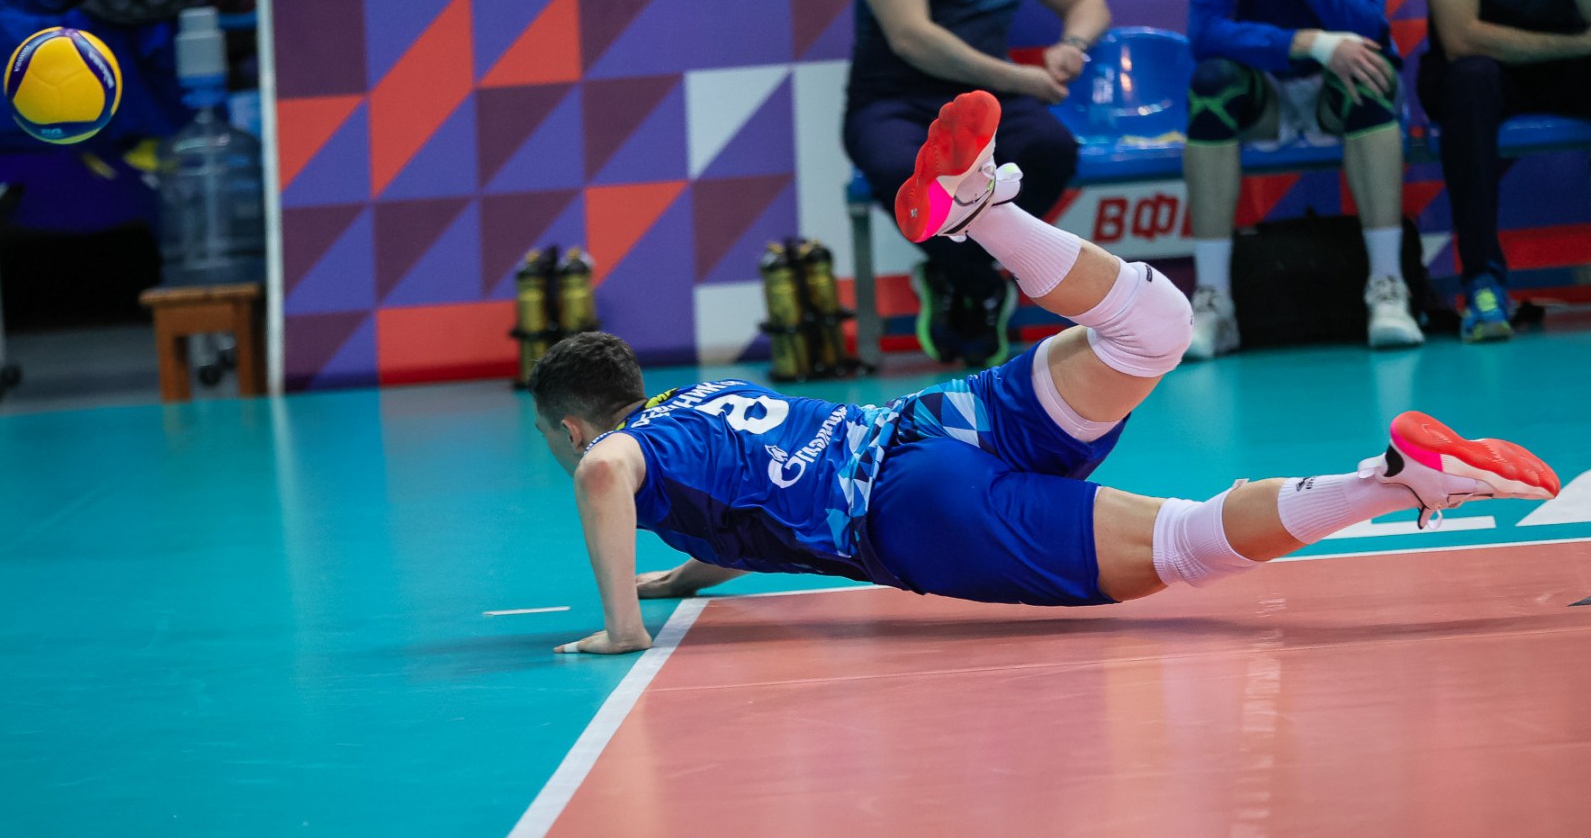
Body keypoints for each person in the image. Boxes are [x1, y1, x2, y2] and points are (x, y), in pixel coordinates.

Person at [532, 91, 1560, 655]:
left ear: (574, 425)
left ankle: (1391, 484)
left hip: (913, 513)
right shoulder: (703, 405)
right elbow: (744, 501)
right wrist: (687, 575)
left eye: (557, 439)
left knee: (1185, 543)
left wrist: (624, 625)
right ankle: (985, 212)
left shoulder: (628, 451)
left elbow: (609, 472)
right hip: (931, 422)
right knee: (1152, 328)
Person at [844, 0, 1110, 369]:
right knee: (902, 170)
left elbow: (1087, 2)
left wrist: (1072, 45)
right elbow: (911, 37)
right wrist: (1021, 77)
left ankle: (956, 271)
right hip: (893, 99)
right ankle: (982, 282)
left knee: (1050, 150)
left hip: (986, 101)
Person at [1183, 0, 1420, 359]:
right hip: (1267, 85)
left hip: (1342, 82)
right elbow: (1205, 31)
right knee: (1210, 87)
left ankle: (1388, 288)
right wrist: (1306, 42)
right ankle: (1214, 302)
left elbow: (1363, 24)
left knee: (1370, 80)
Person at [1420, 0, 1591, 342]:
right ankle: (1483, 284)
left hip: (1571, 68)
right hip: (1487, 70)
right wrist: (1579, 45)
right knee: (1469, 79)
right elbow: (1461, 37)